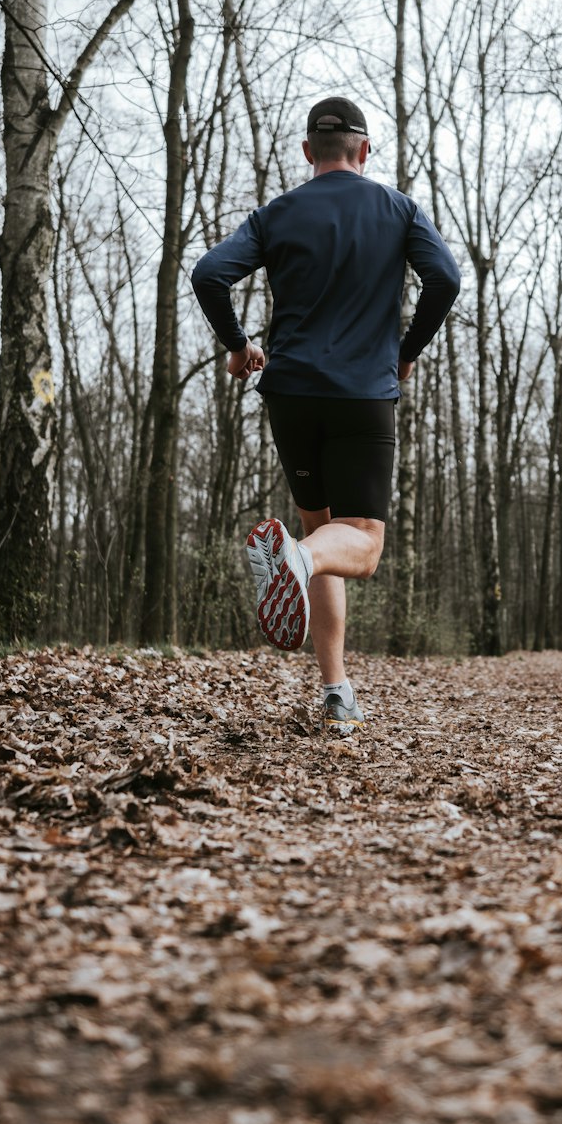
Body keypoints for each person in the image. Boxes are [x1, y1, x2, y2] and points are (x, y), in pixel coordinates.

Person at [191, 96, 461, 732]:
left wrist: (238, 346)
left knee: (319, 533)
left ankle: (336, 688)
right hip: (363, 395)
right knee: (359, 545)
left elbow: (208, 274)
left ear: (309, 152)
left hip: (291, 394)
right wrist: (405, 352)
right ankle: (298, 562)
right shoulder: (397, 209)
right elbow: (444, 279)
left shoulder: (277, 213)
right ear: (363, 153)